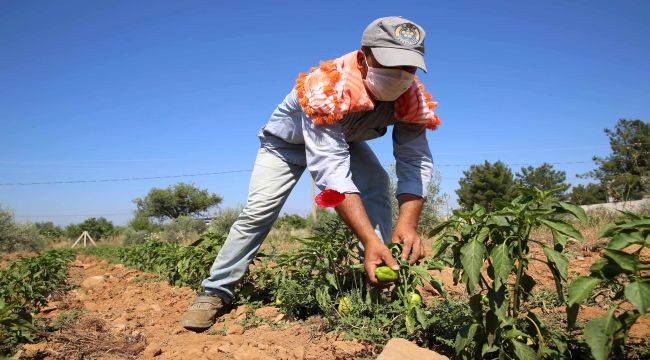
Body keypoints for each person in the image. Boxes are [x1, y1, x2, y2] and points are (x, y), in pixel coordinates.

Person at [181, 16, 440, 332]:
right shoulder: (326, 85)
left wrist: (408, 224)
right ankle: (215, 291)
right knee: (259, 212)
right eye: (390, 63)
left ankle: (377, 275)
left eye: (409, 67)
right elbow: (331, 171)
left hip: (343, 140)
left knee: (376, 184)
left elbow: (414, 161)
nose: (400, 75)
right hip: (286, 145)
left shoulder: (411, 98)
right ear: (365, 56)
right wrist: (368, 236)